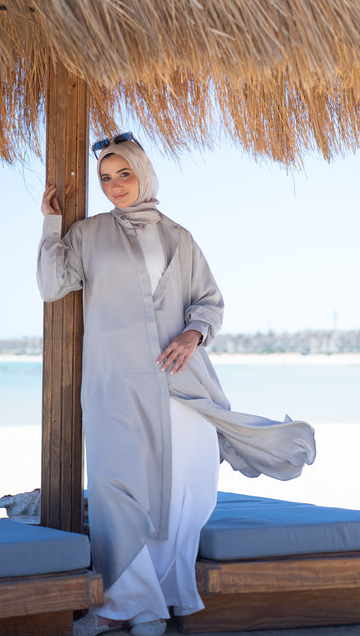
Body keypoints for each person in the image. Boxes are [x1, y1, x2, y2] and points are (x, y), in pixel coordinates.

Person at [37, 134, 316, 636]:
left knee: (181, 491)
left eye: (124, 174)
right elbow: (52, 284)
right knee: (114, 489)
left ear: (143, 173)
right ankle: (122, 604)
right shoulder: (88, 234)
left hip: (178, 384)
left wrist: (193, 334)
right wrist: (50, 225)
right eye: (106, 177)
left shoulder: (178, 238)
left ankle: (157, 602)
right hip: (115, 384)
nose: (115, 185)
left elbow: (209, 301)